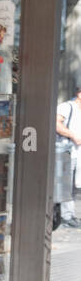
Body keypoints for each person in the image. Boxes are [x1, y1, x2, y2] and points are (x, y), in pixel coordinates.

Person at [56, 84, 81, 228]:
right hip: (67, 151)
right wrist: (72, 135)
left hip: (77, 153)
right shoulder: (67, 107)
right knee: (66, 184)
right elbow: (56, 124)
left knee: (74, 186)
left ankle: (68, 214)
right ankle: (66, 216)